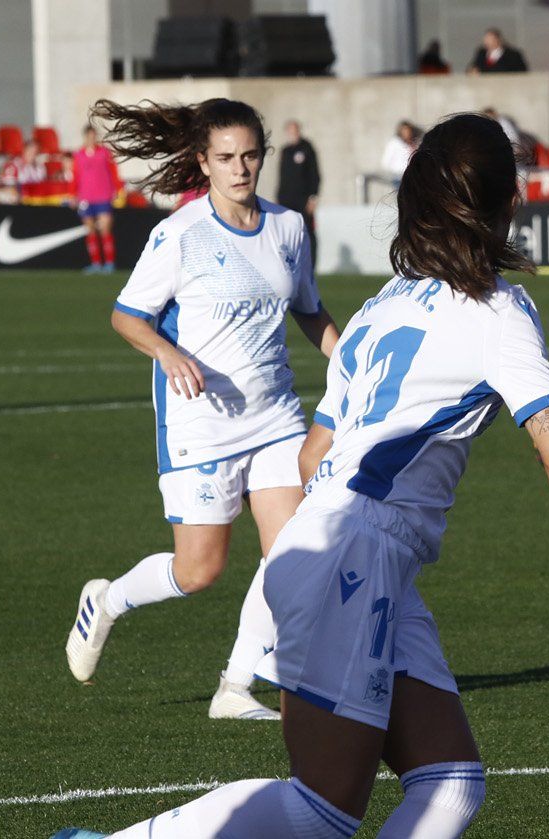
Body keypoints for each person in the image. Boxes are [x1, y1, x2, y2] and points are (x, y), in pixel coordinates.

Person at [56, 112, 549, 839]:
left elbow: (308, 456)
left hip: (343, 548)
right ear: (510, 206)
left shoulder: (380, 306)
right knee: (324, 807)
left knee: (450, 783)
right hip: (352, 557)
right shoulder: (498, 309)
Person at [64, 97, 341, 722]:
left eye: (249, 155)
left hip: (276, 417)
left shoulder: (289, 228)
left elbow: (307, 309)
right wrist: (166, 352)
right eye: (225, 158)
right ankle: (107, 602)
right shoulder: (180, 234)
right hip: (201, 423)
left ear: (262, 157)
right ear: (203, 163)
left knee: (292, 552)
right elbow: (126, 315)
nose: (239, 168)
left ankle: (235, 687)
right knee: (199, 571)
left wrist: (348, 362)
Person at [72, 124, 120, 273]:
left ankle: (110, 263)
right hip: (85, 197)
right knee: (90, 230)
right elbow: (75, 176)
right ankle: (96, 263)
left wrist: (117, 188)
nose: (92, 139)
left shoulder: (104, 153)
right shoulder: (78, 155)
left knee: (105, 229)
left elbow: (113, 171)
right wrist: (73, 194)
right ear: (85, 137)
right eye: (89, 136)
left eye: (94, 136)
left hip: (103, 195)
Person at [276, 120, 320, 269]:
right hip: (286, 199)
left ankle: (311, 264)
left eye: (295, 130)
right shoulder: (285, 151)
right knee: (287, 231)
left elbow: (315, 174)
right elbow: (282, 177)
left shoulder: (307, 148)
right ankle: (290, 263)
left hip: (303, 199)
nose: (293, 133)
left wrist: (313, 197)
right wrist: (279, 198)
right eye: (290, 130)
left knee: (307, 230)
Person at [381, 120, 417, 187]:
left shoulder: (412, 143)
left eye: (409, 130)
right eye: (405, 131)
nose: (407, 133)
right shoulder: (394, 143)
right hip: (399, 178)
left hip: (412, 177)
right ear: (400, 131)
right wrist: (400, 171)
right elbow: (386, 162)